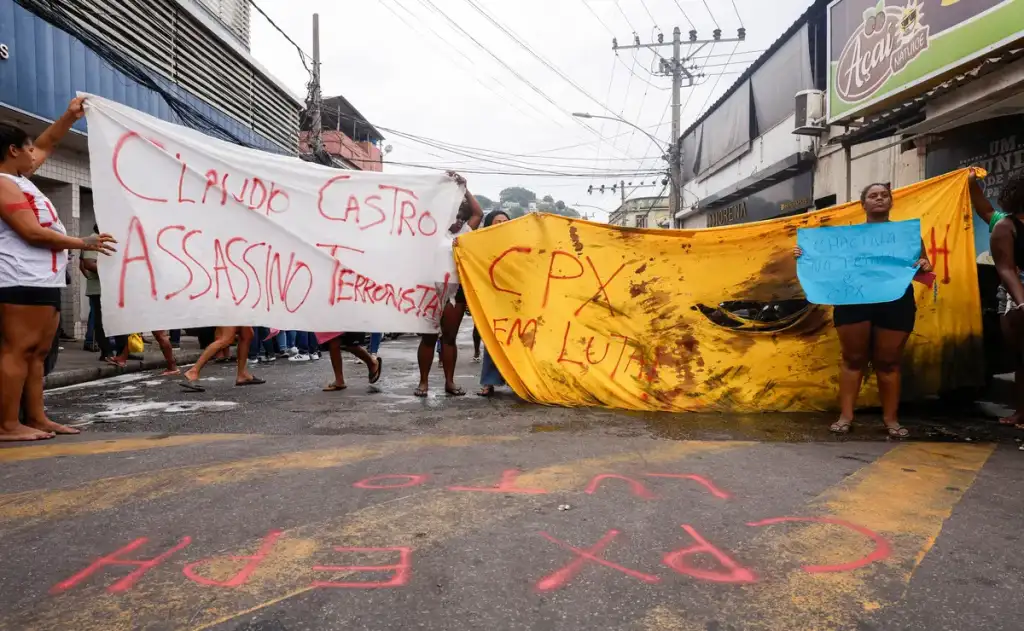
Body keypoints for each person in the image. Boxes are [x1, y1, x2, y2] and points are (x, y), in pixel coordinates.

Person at [0, 99, 117, 441]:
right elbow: (31, 232)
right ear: (12, 150)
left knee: (36, 353)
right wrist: (85, 242)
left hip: (43, 279)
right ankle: (7, 425)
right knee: (18, 350)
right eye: (26, 147)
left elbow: (48, 142)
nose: (33, 152)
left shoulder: (18, 178)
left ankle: (36, 417)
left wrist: (70, 116)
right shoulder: (4, 183)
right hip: (18, 279)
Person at [794, 183, 932, 438]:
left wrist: (924, 263)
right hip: (853, 300)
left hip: (895, 302)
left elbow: (923, 267)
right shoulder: (847, 237)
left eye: (884, 195)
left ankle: (891, 420)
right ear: (863, 204)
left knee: (889, 363)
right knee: (853, 359)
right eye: (873, 195)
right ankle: (846, 416)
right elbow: (829, 262)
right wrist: (805, 254)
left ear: (891, 202)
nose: (879, 199)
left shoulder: (906, 236)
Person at [415, 173, 483, 397]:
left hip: (455, 292)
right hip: (429, 290)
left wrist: (463, 186)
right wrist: (440, 185)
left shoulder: (465, 233)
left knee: (449, 338)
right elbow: (422, 203)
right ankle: (423, 382)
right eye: (452, 214)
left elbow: (478, 213)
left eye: (459, 215)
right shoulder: (430, 231)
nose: (457, 219)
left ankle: (449, 382)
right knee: (428, 337)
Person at [989, 170, 1024, 428]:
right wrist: (1022, 302)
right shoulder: (1006, 226)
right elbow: (1006, 269)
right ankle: (1021, 412)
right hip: (1017, 293)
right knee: (1022, 358)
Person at [477, 210, 511, 396]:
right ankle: (489, 382)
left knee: (518, 341)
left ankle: (519, 381)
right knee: (492, 340)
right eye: (497, 221)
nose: (501, 224)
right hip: (491, 299)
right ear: (489, 224)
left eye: (505, 221)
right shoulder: (481, 245)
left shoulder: (517, 243)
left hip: (516, 300)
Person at [180, 326, 262, 392]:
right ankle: (193, 371)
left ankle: (242, 374)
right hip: (230, 307)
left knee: (247, 335)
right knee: (226, 338)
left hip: (238, 308)